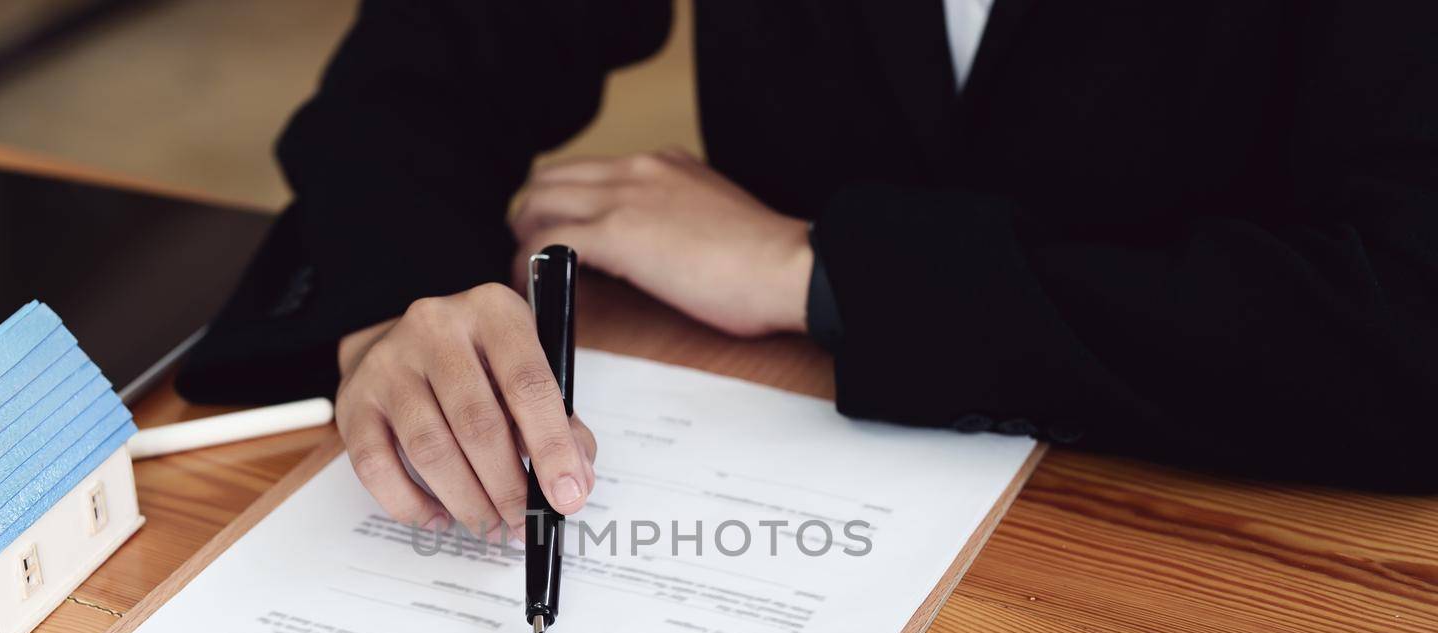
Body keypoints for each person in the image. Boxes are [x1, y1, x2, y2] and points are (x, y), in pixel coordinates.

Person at [177, 0, 1438, 539]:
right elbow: (424, 70)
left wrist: (823, 271)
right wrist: (409, 303)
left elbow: (1403, 319)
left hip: (1220, 537)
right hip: (781, 471)